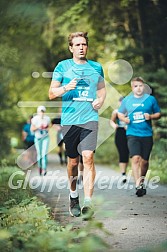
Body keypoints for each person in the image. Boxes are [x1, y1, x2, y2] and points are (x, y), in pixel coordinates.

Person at [49, 31, 106, 219]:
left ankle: (88, 202)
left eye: (84, 44)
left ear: (87, 46)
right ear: (71, 48)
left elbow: (102, 91)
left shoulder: (96, 67)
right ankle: (74, 196)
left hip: (90, 118)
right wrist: (66, 87)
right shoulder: (62, 66)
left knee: (88, 157)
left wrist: (100, 101)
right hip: (70, 121)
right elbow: (51, 94)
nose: (81, 47)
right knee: (73, 162)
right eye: (78, 45)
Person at [118, 77, 161, 197]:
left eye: (140, 86)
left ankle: (142, 180)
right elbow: (120, 113)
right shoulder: (127, 100)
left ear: (144, 87)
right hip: (132, 134)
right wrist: (124, 119)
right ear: (132, 88)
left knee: (145, 161)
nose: (138, 88)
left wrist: (151, 117)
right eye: (136, 86)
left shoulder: (150, 99)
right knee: (135, 158)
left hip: (147, 134)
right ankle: (138, 184)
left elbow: (158, 113)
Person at [110, 97, 129, 183]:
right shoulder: (116, 112)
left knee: (130, 153)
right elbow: (111, 121)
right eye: (121, 102)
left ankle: (129, 171)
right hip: (120, 132)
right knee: (122, 152)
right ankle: (123, 174)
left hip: (130, 132)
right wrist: (114, 126)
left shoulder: (130, 111)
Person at [31, 106, 51, 176]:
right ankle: (40, 167)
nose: (41, 113)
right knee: (39, 154)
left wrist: (46, 128)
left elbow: (49, 128)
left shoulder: (47, 118)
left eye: (43, 112)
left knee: (44, 153)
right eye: (40, 112)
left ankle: (44, 168)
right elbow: (32, 129)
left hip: (45, 137)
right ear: (38, 112)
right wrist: (38, 127)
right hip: (38, 138)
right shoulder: (35, 119)